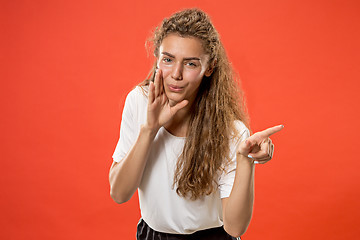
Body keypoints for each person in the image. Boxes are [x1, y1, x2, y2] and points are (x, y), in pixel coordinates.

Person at [109, 8, 283, 240]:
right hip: (152, 234)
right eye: (168, 60)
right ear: (158, 58)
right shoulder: (139, 101)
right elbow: (119, 193)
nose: (176, 74)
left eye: (190, 64)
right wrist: (150, 129)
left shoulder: (231, 131)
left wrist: (246, 160)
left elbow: (235, 228)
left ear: (208, 68)